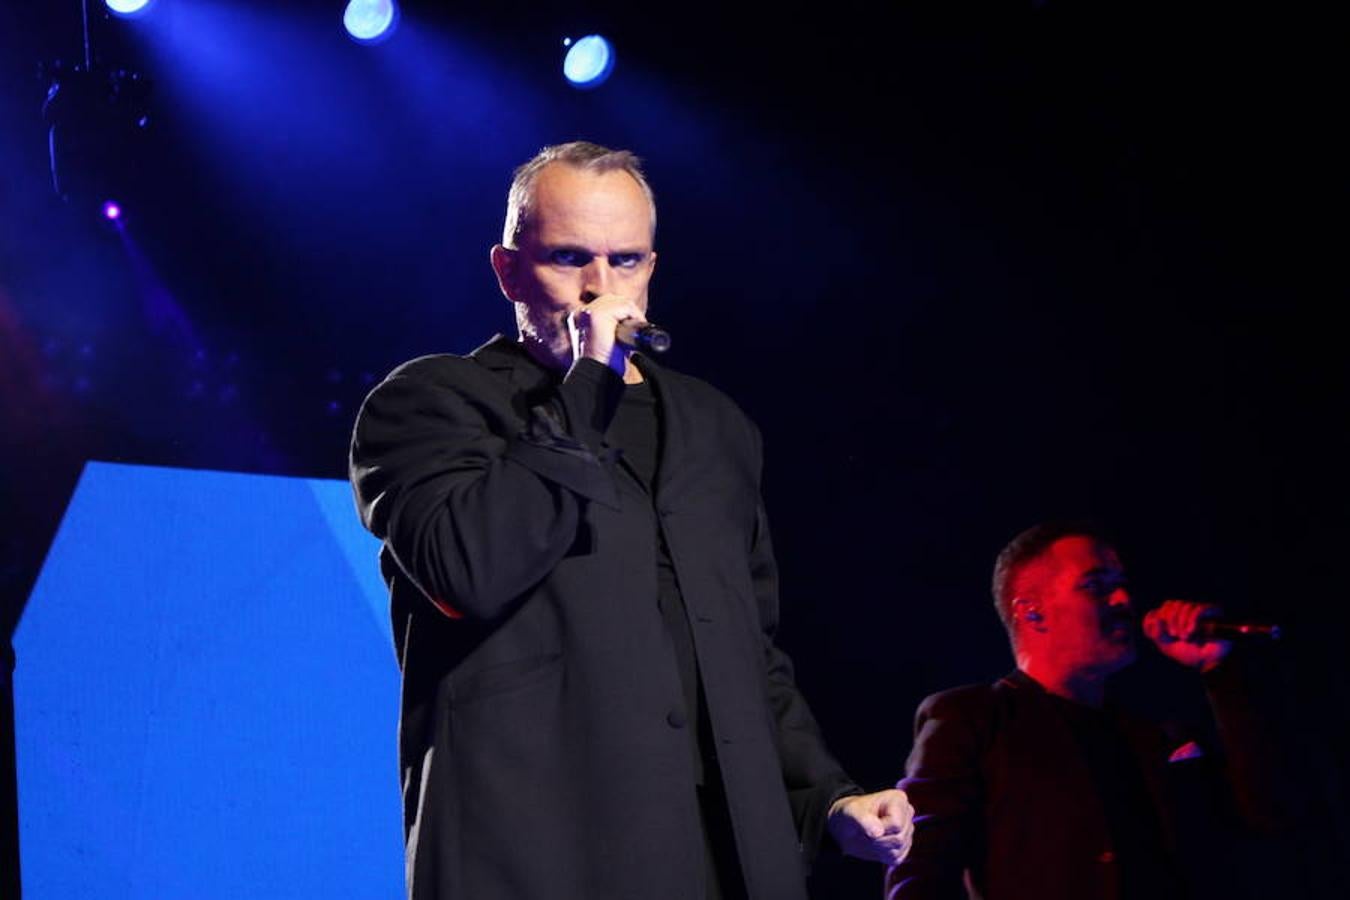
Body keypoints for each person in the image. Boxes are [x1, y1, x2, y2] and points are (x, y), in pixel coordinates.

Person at [349, 141, 912, 900]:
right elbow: (467, 570)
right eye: (568, 257)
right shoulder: (432, 405)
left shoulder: (715, 427)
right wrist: (588, 386)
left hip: (725, 863)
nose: (598, 288)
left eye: (624, 262)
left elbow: (749, 656)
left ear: (651, 268)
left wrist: (829, 798)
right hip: (543, 860)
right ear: (508, 269)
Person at [885, 521, 1281, 900]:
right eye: (1096, 586)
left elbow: (1267, 815)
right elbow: (921, 871)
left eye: (1122, 585)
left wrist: (1218, 671)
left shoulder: (1154, 733)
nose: (1124, 600)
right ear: (1031, 611)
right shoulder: (973, 718)